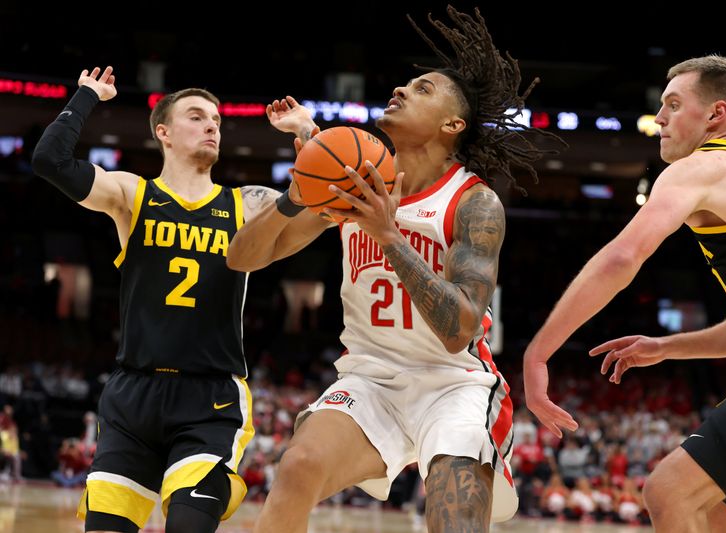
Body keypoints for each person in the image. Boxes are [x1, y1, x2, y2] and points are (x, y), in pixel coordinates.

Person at [226, 7, 563, 532]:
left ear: (454, 124)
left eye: (422, 89)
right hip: (370, 376)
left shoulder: (473, 203)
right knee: (297, 467)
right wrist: (295, 196)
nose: (401, 90)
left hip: (454, 384)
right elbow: (242, 258)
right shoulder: (355, 179)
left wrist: (390, 239)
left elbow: (459, 330)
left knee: (454, 520)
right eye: (404, 84)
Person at [31, 67, 322, 533]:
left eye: (217, 121)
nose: (212, 126)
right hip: (132, 397)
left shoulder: (247, 204)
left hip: (209, 400)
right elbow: (50, 160)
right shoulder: (132, 194)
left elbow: (321, 204)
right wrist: (87, 94)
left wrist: (307, 132)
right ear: (163, 132)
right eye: (197, 116)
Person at [523, 54, 726, 531]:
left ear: (716, 115)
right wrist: (667, 347)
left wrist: (538, 353)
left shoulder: (705, 166)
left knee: (668, 490)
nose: (661, 119)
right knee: (711, 514)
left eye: (673, 105)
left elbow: (622, 258)